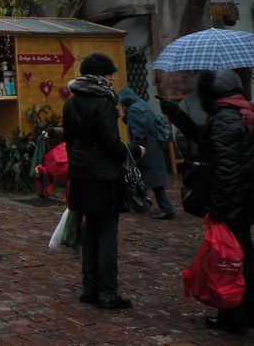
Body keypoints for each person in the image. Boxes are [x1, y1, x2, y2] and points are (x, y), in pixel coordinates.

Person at [160, 70, 254, 335]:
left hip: (233, 199)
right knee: (243, 254)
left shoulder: (225, 117)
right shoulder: (240, 111)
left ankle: (233, 317)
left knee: (231, 259)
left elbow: (226, 168)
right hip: (244, 197)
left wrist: (219, 206)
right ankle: (246, 312)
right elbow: (204, 136)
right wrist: (177, 115)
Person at [61, 52, 142, 309]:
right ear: (101, 75)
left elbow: (70, 142)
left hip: (81, 174)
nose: (112, 78)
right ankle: (108, 292)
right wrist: (133, 151)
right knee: (107, 232)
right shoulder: (104, 101)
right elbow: (111, 142)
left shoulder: (71, 103)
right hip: (104, 177)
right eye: (110, 74)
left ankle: (89, 288)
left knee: (90, 232)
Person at [118, 86, 174, 219]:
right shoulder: (142, 105)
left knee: (144, 179)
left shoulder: (134, 109)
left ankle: (163, 208)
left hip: (146, 149)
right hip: (153, 147)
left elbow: (138, 132)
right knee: (151, 180)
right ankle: (149, 205)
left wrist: (136, 149)